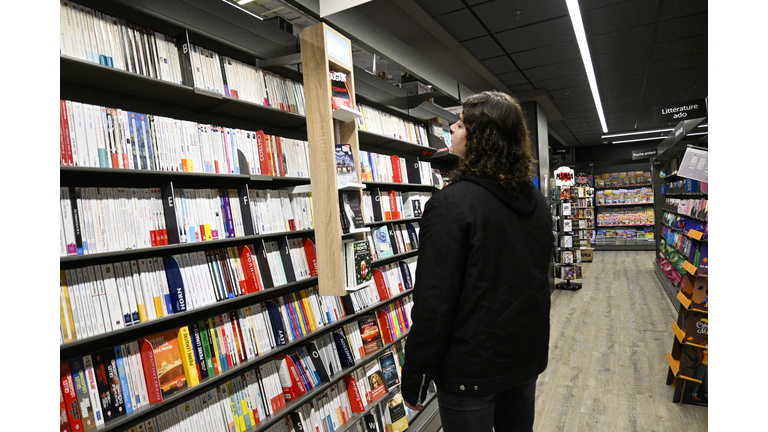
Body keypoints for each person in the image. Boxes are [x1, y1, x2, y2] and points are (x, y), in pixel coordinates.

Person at [400, 91, 554, 432]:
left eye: (461, 123)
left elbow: (434, 305)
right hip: (523, 362)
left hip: (470, 371)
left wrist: (416, 377)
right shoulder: (538, 206)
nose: (452, 128)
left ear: (482, 137)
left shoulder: (451, 205)